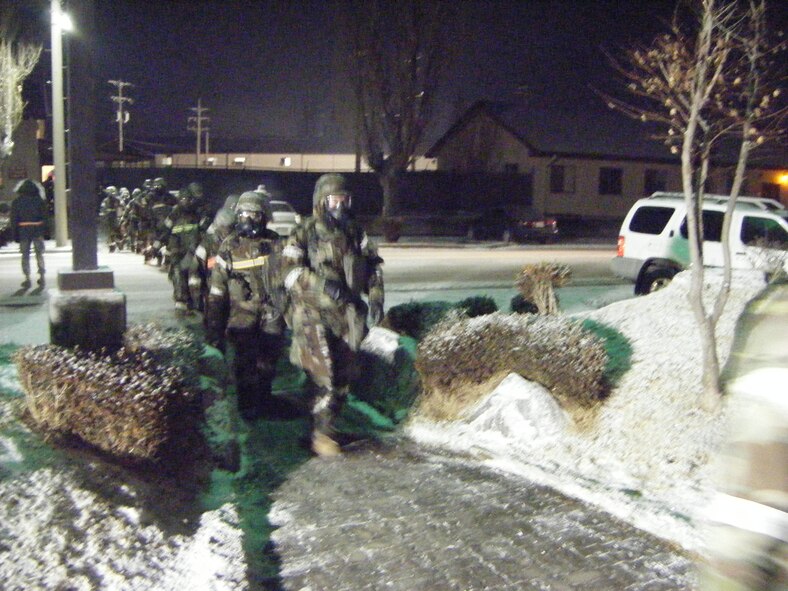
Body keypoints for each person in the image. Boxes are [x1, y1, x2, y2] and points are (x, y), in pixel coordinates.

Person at [282, 173, 384, 456]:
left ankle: (326, 426)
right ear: (320, 202)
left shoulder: (356, 232)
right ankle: (321, 435)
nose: (339, 205)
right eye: (333, 200)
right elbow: (289, 272)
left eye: (344, 200)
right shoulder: (303, 232)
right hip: (313, 314)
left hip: (347, 316)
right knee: (323, 375)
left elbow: (373, 266)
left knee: (342, 378)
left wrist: (376, 298)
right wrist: (322, 285)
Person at [205, 191, 288, 420]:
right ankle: (246, 407)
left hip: (272, 313)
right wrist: (214, 329)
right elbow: (217, 292)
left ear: (264, 217)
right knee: (244, 364)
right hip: (242, 314)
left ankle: (264, 401)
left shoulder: (276, 243)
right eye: (243, 214)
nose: (248, 220)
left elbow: (292, 278)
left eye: (254, 214)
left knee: (268, 363)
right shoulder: (229, 246)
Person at [159, 182, 211, 311]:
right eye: (184, 199)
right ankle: (181, 299)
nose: (187, 201)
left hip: (196, 250)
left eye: (190, 199)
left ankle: (200, 300)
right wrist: (158, 244)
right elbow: (166, 229)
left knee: (203, 273)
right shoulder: (175, 212)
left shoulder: (201, 212)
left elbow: (206, 231)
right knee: (178, 272)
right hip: (178, 249)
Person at [10, 179, 48, 289]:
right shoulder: (39, 201)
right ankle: (42, 276)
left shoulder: (17, 202)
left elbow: (14, 220)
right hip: (37, 230)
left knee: (25, 255)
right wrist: (46, 232)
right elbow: (45, 217)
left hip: (23, 231)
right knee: (39, 254)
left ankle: (27, 278)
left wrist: (15, 234)